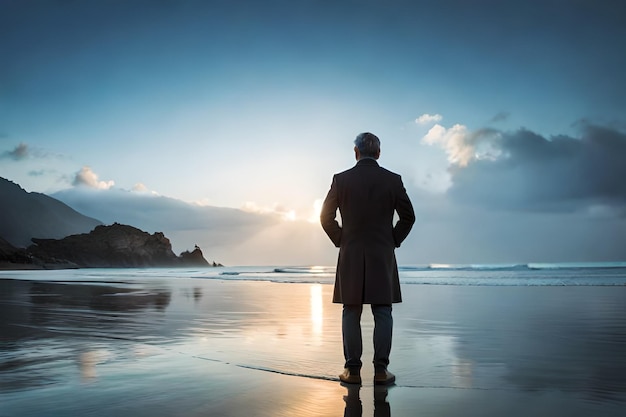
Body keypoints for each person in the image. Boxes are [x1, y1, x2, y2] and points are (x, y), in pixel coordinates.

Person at [320, 132, 415, 385]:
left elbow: (325, 217)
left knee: (351, 310)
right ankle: (381, 371)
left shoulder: (341, 180)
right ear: (379, 153)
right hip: (382, 253)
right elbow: (409, 217)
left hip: (351, 252)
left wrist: (342, 239)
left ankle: (352, 371)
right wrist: (392, 240)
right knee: (383, 311)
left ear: (356, 152)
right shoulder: (393, 180)